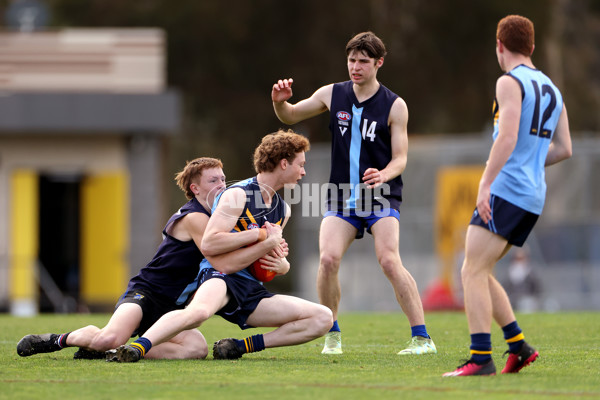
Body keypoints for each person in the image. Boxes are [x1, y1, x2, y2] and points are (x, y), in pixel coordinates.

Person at [271, 31, 435, 355]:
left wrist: (384, 174)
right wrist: (280, 102)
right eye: (351, 60)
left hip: (380, 196)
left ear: (379, 63)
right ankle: (332, 333)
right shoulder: (332, 94)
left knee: (389, 260)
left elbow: (401, 157)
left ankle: (422, 338)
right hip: (340, 195)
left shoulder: (394, 105)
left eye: (363, 61)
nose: (355, 67)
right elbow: (290, 116)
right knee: (328, 259)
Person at [108, 129, 333, 362]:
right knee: (199, 312)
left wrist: (282, 264)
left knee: (322, 318)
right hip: (220, 276)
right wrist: (261, 236)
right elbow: (210, 242)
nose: (304, 171)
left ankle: (239, 346)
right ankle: (138, 348)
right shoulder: (237, 195)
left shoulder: (282, 210)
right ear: (284, 164)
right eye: (301, 164)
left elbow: (269, 258)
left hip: (249, 288)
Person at [443, 15, 572, 377]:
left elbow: (508, 137)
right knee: (481, 269)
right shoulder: (552, 88)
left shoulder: (509, 81)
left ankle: (480, 358)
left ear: (500, 46)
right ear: (531, 47)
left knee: (470, 270)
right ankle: (518, 347)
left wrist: (485, 183)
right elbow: (564, 149)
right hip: (533, 196)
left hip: (507, 190)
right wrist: (531, 163)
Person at [16, 157, 226, 360]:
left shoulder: (217, 218)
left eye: (223, 179)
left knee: (196, 348)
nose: (222, 185)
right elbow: (219, 253)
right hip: (147, 293)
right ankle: (59, 340)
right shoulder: (195, 217)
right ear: (195, 189)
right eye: (213, 180)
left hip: (171, 308)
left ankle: (118, 351)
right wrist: (258, 236)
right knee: (108, 338)